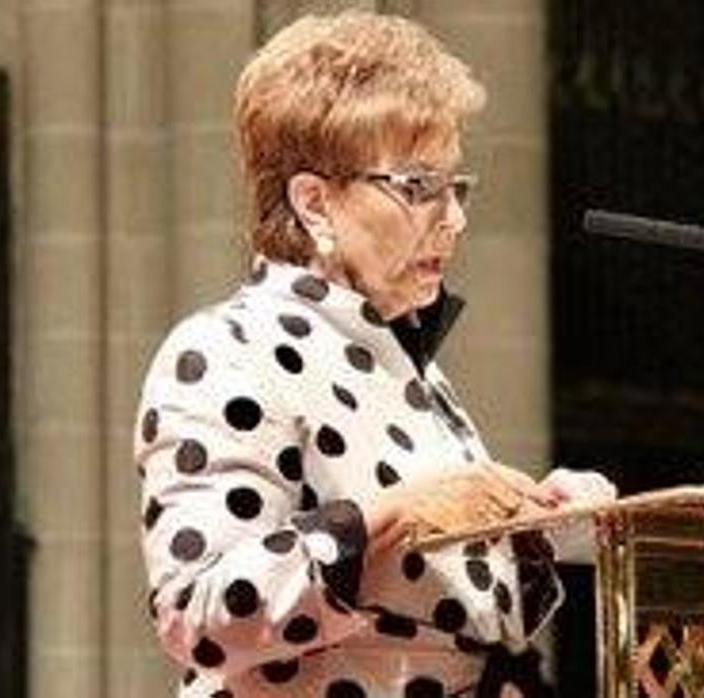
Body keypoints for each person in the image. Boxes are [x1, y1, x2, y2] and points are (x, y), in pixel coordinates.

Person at [133, 11, 615, 697]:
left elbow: (441, 611)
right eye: (418, 187)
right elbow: (199, 613)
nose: (455, 218)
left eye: (456, 187)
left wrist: (538, 523)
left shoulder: (405, 360)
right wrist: (397, 516)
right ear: (315, 205)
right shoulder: (227, 350)